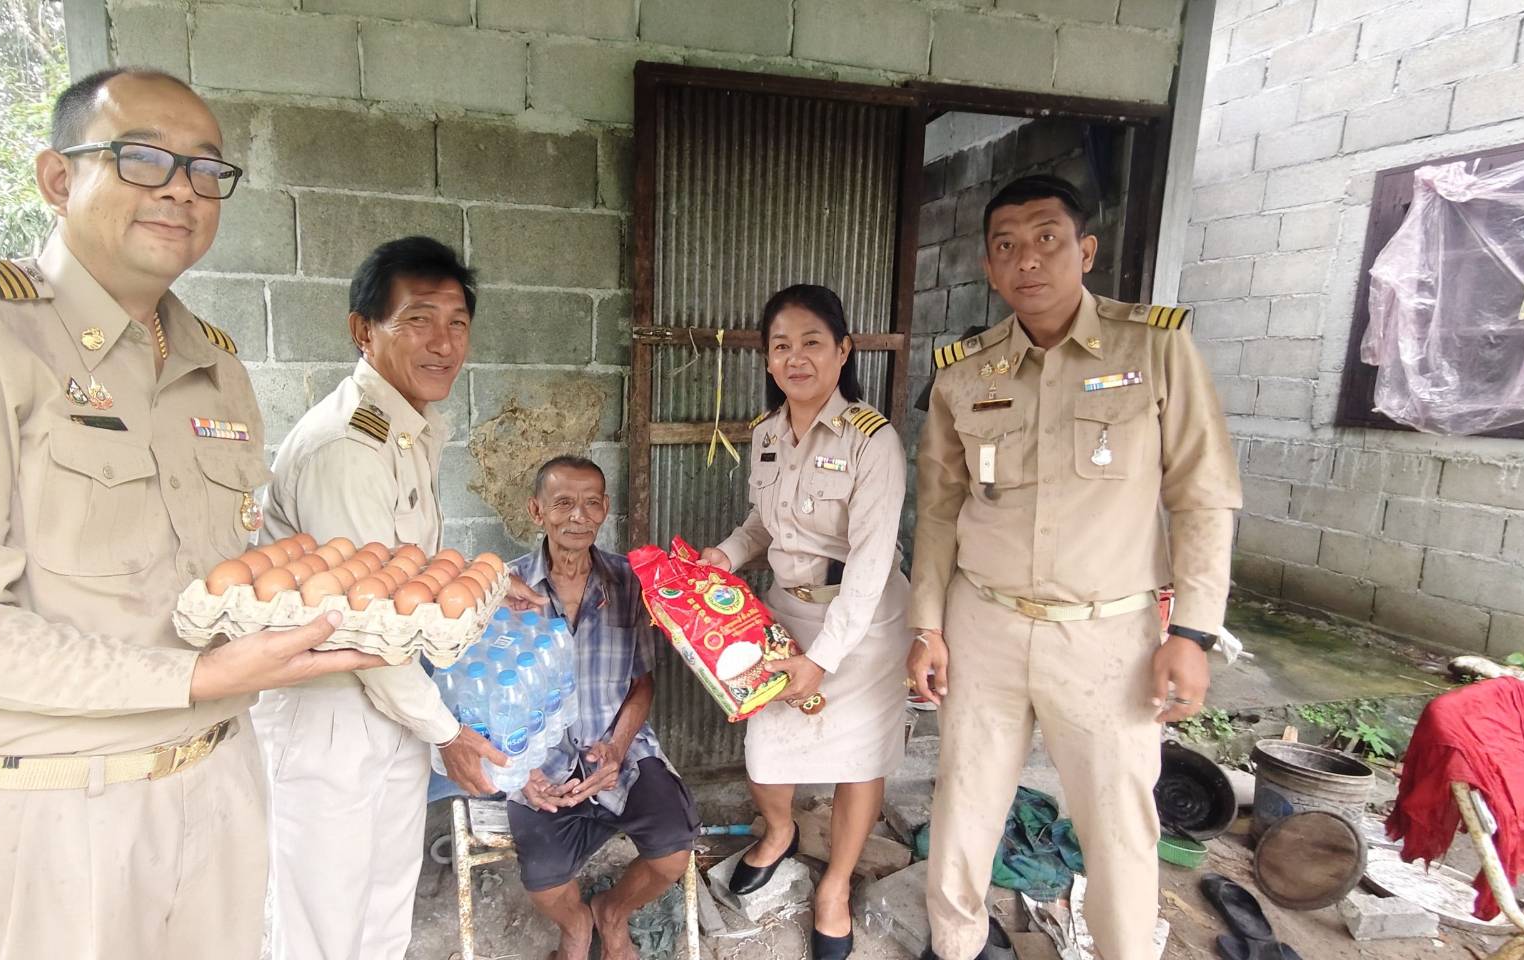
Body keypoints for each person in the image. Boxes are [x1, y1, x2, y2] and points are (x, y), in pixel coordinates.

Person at [0, 67, 385, 960]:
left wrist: (361, 605)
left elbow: (220, 577)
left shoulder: (216, 367)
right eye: (143, 157)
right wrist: (192, 678)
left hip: (218, 790)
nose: (182, 188)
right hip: (43, 815)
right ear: (58, 178)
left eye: (206, 169)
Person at [907, 174, 1242, 960]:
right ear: (990, 268)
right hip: (983, 623)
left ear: (1085, 250)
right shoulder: (966, 371)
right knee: (964, 804)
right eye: (1006, 245)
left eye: (1047, 238)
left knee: (1120, 824)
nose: (1028, 258)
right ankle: (955, 945)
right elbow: (939, 510)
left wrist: (1193, 633)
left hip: (1107, 634)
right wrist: (927, 626)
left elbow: (1202, 495)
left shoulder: (1154, 348)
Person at [255, 235, 505, 960]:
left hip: (390, 702)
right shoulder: (347, 448)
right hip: (327, 711)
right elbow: (365, 620)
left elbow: (402, 574)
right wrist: (446, 733)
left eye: (457, 322)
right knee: (321, 925)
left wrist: (485, 585)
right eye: (417, 320)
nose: (444, 343)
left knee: (384, 908)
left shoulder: (407, 430)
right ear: (363, 331)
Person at [698, 283, 909, 960]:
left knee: (859, 760)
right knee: (766, 750)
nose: (796, 357)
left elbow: (871, 565)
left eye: (812, 342)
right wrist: (725, 556)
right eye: (781, 345)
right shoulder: (766, 434)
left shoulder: (873, 442)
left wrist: (824, 659)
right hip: (786, 618)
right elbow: (764, 524)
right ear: (766, 358)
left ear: (843, 351)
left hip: (864, 626)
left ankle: (835, 888)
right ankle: (780, 831)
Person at [507, 455, 700, 960]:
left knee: (673, 852)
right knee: (544, 878)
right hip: (540, 761)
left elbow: (642, 683)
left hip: (619, 748)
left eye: (591, 503)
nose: (578, 516)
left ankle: (612, 913)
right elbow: (488, 700)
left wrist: (616, 748)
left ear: (606, 509)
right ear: (536, 511)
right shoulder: (506, 588)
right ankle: (576, 928)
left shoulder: (629, 582)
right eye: (563, 503)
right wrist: (522, 768)